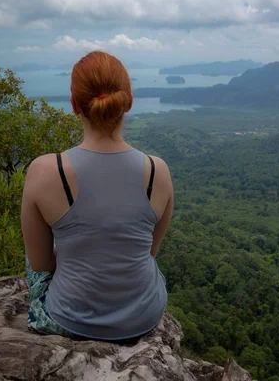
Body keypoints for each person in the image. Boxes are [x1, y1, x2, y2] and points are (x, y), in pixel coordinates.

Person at [20, 51, 173, 341]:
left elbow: (41, 265)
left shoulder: (43, 170)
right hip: (143, 316)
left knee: (32, 257)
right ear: (128, 102)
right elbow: (146, 253)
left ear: (75, 105)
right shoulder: (157, 171)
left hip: (69, 318)